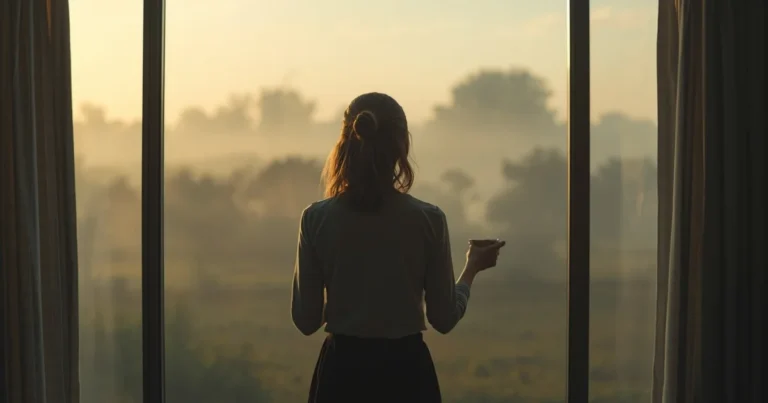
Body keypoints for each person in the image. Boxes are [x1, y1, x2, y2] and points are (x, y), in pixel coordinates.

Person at [291, 92, 506, 403]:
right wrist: (471, 268)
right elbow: (444, 319)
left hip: (341, 375)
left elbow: (305, 321)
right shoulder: (428, 220)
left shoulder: (316, 219)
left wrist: (350, 297)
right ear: (402, 145)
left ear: (345, 141)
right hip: (407, 375)